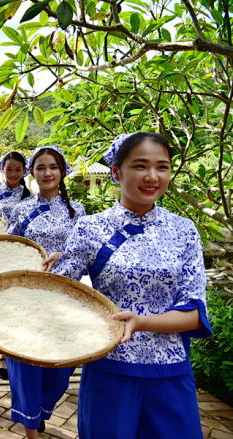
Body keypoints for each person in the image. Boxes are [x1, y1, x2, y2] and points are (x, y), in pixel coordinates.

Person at [49, 132, 211, 439]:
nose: (152, 176)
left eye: (162, 167)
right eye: (140, 166)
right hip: (110, 368)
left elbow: (193, 312)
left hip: (170, 371)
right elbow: (57, 294)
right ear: (116, 172)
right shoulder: (89, 228)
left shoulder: (183, 230)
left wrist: (141, 322)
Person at [5, 145, 85, 438]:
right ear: (32, 173)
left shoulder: (78, 212)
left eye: (53, 167)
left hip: (64, 299)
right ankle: (30, 428)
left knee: (58, 369)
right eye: (40, 167)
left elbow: (84, 256)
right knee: (24, 363)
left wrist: (62, 259)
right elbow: (5, 246)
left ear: (62, 171)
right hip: (25, 298)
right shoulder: (21, 209)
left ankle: (40, 411)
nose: (47, 172)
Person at [0, 151, 32, 376]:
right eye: (9, 169)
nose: (12, 174)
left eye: (17, 170)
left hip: (17, 255)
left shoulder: (29, 198)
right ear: (1, 169)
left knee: (10, 301)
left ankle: (1, 353)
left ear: (25, 172)